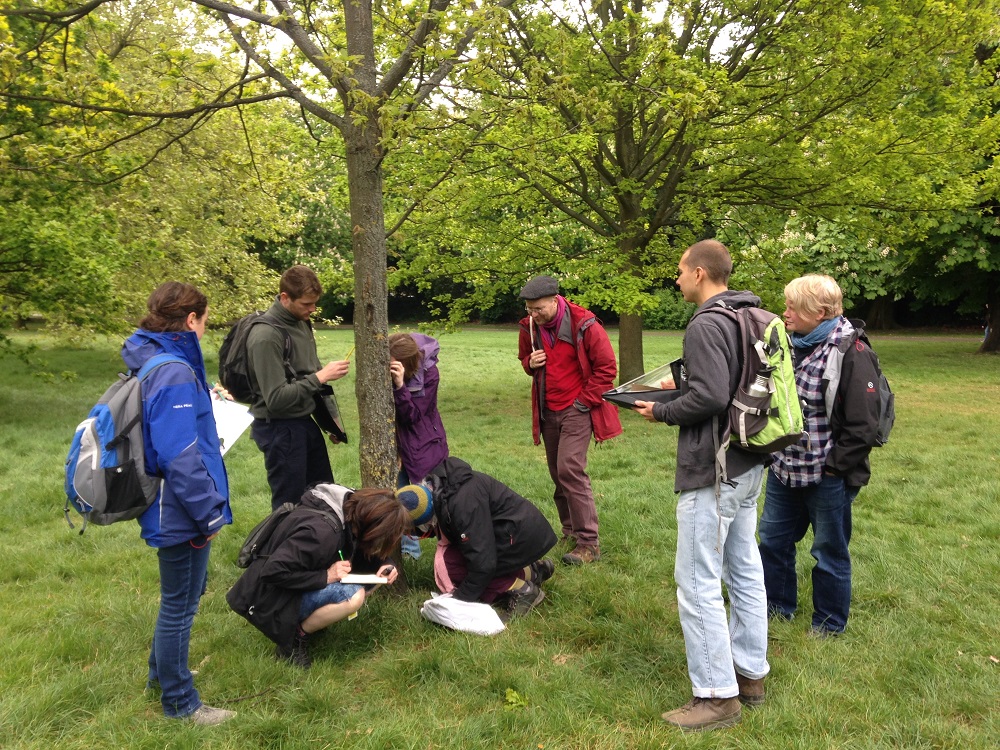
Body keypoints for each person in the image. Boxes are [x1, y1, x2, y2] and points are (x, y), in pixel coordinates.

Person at [634, 240, 769, 732]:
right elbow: (726, 380)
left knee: (697, 581)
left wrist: (661, 409)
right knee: (744, 568)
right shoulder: (752, 315)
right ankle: (750, 675)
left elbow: (712, 395)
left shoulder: (707, 322)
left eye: (679, 272)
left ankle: (716, 695)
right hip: (751, 461)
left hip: (713, 469)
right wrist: (680, 384)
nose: (676, 280)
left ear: (698, 273)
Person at [121, 282, 235, 725]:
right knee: (180, 604)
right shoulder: (172, 371)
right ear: (191, 320)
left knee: (179, 599)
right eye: (205, 320)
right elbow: (178, 456)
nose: (206, 327)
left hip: (171, 503)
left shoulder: (156, 359)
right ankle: (181, 704)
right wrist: (209, 511)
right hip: (179, 509)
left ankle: (161, 676)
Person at [758, 274, 881, 637]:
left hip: (828, 475)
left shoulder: (852, 352)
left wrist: (833, 469)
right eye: (787, 306)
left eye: (795, 308)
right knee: (773, 541)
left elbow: (864, 425)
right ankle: (776, 608)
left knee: (828, 551)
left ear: (823, 312)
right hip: (784, 468)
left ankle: (828, 624)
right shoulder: (789, 344)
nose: (786, 313)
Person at [226, 485, 410, 669]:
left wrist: (385, 563)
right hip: (266, 600)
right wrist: (326, 576)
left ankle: (312, 621)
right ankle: (294, 639)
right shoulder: (322, 533)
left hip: (282, 587)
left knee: (370, 582)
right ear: (372, 527)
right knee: (354, 596)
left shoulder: (348, 505)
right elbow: (272, 571)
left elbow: (358, 543)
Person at [517, 275, 622, 565]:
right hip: (547, 408)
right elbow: (525, 359)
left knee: (569, 469)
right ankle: (570, 531)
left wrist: (582, 403)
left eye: (539, 309)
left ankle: (589, 544)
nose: (534, 315)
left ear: (555, 300)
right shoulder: (528, 327)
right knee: (556, 472)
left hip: (577, 407)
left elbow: (606, 369)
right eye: (529, 309)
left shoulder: (585, 324)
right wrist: (530, 363)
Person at [400, 457, 558, 620]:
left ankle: (524, 591)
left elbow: (483, 565)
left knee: (451, 564)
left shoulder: (462, 506)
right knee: (465, 554)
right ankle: (532, 572)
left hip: (519, 537)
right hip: (521, 532)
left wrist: (459, 601)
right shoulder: (441, 488)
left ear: (428, 521)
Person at [246, 265, 351, 511]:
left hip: (304, 424)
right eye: (306, 304)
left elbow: (306, 379)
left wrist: (330, 424)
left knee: (323, 497)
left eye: (315, 303)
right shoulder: (265, 336)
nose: (312, 309)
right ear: (285, 298)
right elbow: (276, 398)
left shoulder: (302, 323)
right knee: (289, 508)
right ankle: (279, 549)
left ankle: (319, 548)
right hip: (279, 430)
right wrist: (321, 376)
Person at [389, 332, 449, 559]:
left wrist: (399, 386)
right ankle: (409, 553)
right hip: (399, 446)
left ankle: (448, 549)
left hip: (424, 445)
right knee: (399, 497)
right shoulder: (392, 353)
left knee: (428, 499)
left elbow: (412, 416)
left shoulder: (430, 373)